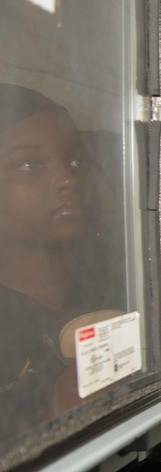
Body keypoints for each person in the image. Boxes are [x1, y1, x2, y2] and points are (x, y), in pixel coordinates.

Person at [0, 84, 115, 443]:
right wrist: (51, 421)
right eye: (28, 164)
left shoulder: (128, 282)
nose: (68, 180)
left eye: (75, 161)